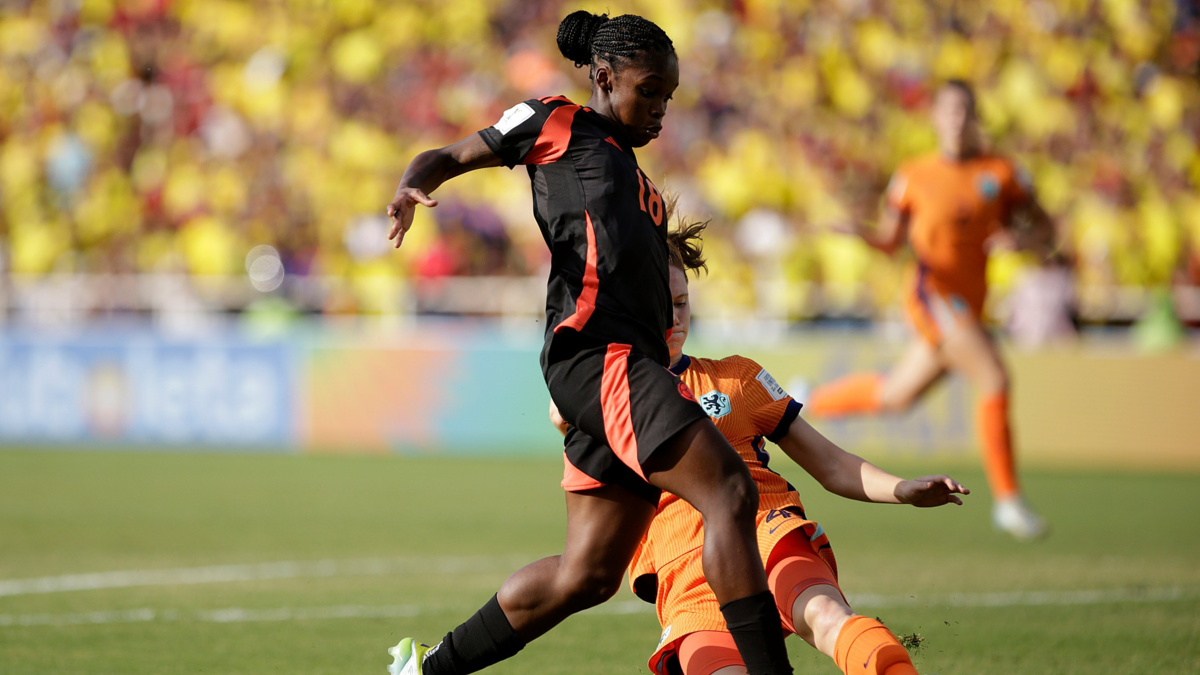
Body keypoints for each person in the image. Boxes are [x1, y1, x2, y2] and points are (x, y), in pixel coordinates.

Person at [385, 11, 796, 675]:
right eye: (649, 90)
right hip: (597, 356)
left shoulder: (638, 180)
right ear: (604, 77)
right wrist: (414, 184)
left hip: (627, 369)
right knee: (729, 491)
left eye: (668, 95)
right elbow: (453, 155)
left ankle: (425, 669)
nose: (660, 108)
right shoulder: (556, 121)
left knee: (588, 575)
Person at [549, 212, 969, 675]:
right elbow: (572, 442)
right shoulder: (605, 399)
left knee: (826, 616)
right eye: (661, 303)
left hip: (762, 532)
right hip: (683, 576)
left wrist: (902, 489)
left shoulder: (737, 377)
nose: (674, 317)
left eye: (683, 302)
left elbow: (830, 463)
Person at [807, 80, 1056, 540]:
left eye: (965, 111)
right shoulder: (914, 174)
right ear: (936, 118)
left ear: (975, 118)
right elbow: (890, 241)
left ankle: (808, 398)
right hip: (931, 292)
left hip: (969, 305)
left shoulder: (1001, 173)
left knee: (896, 396)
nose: (957, 120)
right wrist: (861, 233)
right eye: (949, 111)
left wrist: (1020, 238)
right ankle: (1007, 500)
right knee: (994, 377)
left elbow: (1046, 228)